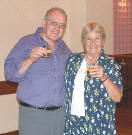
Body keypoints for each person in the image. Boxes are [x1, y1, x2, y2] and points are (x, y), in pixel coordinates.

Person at [4, 7, 71, 135]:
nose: (57, 28)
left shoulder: (64, 48)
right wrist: (30, 59)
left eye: (62, 25)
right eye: (53, 22)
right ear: (44, 23)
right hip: (34, 115)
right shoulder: (27, 42)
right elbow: (10, 73)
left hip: (60, 115)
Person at [64, 22, 123, 135]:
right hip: (73, 121)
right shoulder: (73, 61)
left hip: (99, 122)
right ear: (83, 41)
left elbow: (118, 97)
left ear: (103, 41)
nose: (93, 43)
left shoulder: (110, 65)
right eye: (89, 38)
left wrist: (104, 77)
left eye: (97, 38)